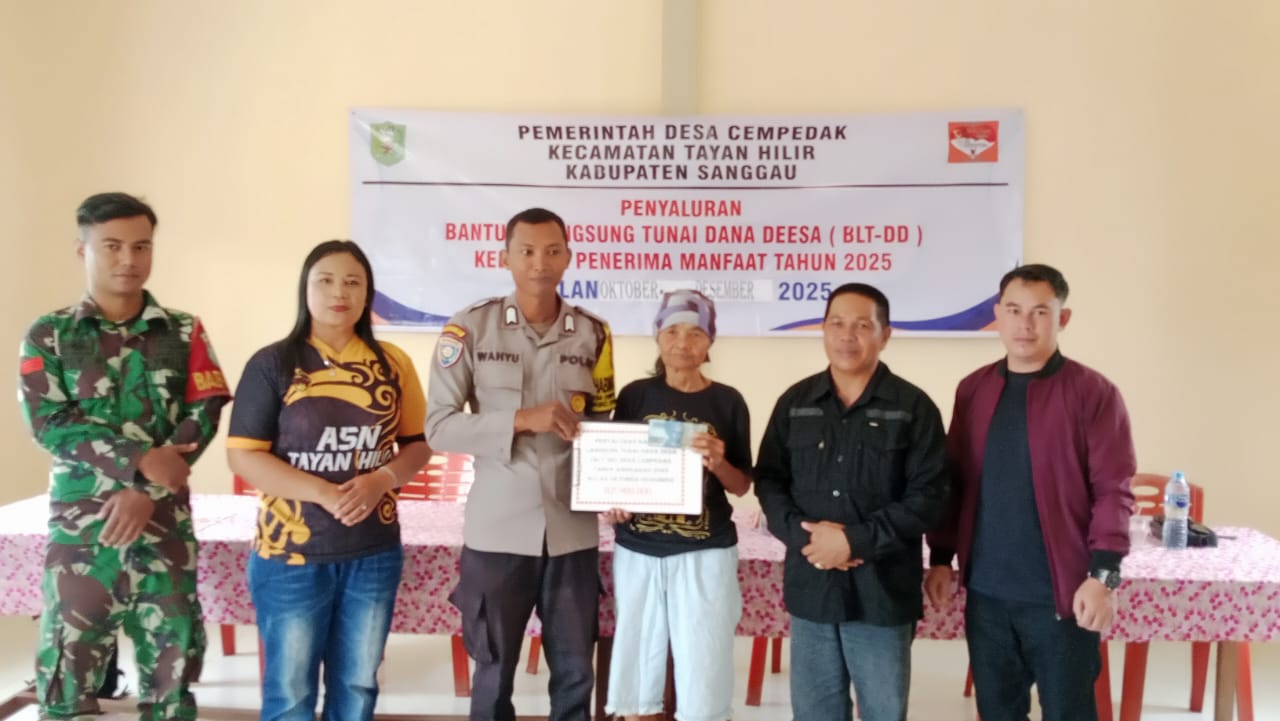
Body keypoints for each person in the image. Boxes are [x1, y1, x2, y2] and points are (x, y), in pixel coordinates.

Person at [18, 192, 232, 721]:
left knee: (171, 681)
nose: (128, 259)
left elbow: (203, 413)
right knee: (67, 680)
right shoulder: (50, 334)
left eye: (141, 246)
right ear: (83, 250)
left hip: (163, 528)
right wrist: (137, 458)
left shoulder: (184, 331)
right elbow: (49, 422)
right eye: (112, 246)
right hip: (83, 532)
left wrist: (146, 490)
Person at [226, 240, 430, 721]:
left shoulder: (392, 363)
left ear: (367, 294)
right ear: (306, 289)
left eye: (353, 282)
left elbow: (419, 445)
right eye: (326, 280)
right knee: (291, 693)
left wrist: (381, 479)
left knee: (357, 687)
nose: (340, 292)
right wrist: (324, 493)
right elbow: (243, 457)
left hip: (372, 553)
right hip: (291, 556)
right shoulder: (273, 363)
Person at [426, 207, 616, 721]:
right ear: (504, 257)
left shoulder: (594, 334)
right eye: (527, 251)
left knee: (575, 674)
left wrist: (623, 484)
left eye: (552, 251)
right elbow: (439, 427)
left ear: (569, 257)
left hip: (572, 532)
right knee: (493, 672)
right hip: (498, 532)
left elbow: (603, 424)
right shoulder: (469, 328)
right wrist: (520, 419)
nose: (540, 263)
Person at [924, 264, 1136, 721]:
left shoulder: (1094, 393)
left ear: (1063, 318)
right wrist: (941, 557)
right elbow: (954, 479)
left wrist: (1103, 576)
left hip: (1062, 595)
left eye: (1040, 312)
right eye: (1014, 310)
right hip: (987, 593)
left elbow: (1113, 490)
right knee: (997, 711)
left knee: (1069, 712)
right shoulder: (974, 389)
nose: (1025, 324)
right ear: (997, 315)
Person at [754, 282, 947, 721]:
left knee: (883, 712)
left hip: (882, 591)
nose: (847, 335)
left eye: (862, 325)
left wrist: (853, 542)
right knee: (814, 713)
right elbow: (769, 480)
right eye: (836, 324)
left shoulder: (913, 408)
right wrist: (807, 539)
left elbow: (929, 496)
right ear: (823, 330)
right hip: (813, 587)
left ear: (885, 335)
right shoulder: (796, 403)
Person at [602, 289, 752, 721]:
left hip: (706, 550)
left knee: (705, 663)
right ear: (657, 337)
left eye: (694, 333)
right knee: (636, 664)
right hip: (638, 548)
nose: (682, 343)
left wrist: (719, 463)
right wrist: (613, 503)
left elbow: (742, 485)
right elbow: (616, 466)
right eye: (672, 332)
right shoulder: (634, 396)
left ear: (710, 342)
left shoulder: (728, 401)